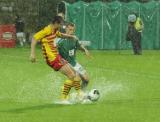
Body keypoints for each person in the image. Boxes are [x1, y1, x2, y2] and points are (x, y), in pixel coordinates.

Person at [30, 16, 83, 104]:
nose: (61, 26)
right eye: (60, 24)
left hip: (56, 56)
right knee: (71, 75)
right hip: (52, 58)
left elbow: (60, 34)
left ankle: (75, 94)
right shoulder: (47, 30)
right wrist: (32, 54)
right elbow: (34, 38)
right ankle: (68, 97)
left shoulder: (54, 30)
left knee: (74, 73)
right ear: (56, 23)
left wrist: (70, 36)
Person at [56, 22, 91, 91]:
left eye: (73, 30)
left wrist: (85, 50)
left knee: (86, 79)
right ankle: (66, 92)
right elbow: (54, 50)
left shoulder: (74, 39)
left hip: (74, 63)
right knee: (76, 79)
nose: (71, 32)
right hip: (65, 64)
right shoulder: (60, 40)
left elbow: (79, 46)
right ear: (66, 29)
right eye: (70, 29)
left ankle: (81, 93)